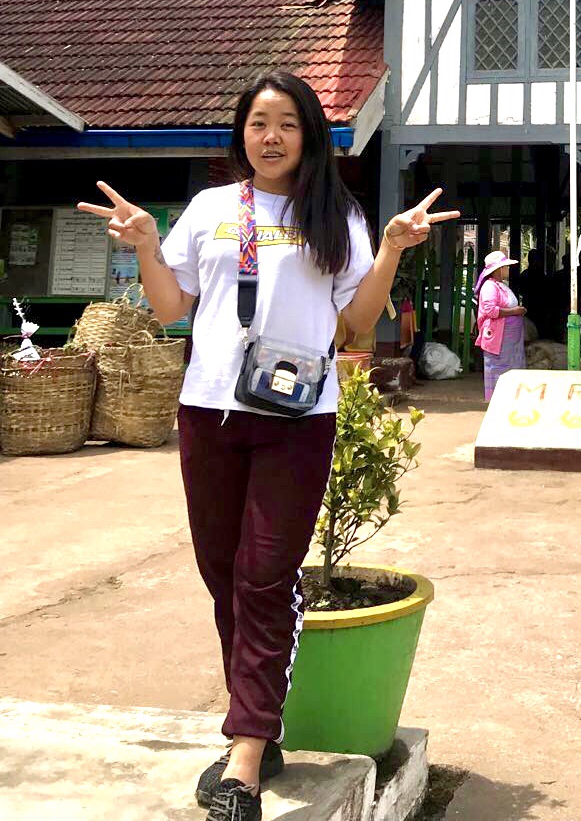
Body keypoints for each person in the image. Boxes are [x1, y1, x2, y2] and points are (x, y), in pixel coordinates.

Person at [78, 70, 457, 821]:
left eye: (287, 122)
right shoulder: (214, 208)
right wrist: (150, 246)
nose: (272, 136)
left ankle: (246, 750)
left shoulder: (332, 213)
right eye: (258, 122)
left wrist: (388, 251)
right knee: (222, 571)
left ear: (309, 134)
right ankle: (261, 723)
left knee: (263, 574)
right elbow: (170, 306)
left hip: (295, 419)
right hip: (210, 412)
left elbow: (355, 322)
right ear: (241, 133)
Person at [474, 250, 527, 400]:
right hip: (499, 338)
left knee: (511, 367)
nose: (507, 269)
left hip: (510, 340)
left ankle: (511, 398)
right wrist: (514, 311)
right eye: (505, 267)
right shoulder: (490, 287)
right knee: (499, 368)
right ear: (498, 269)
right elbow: (490, 311)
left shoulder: (501, 285)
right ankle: (498, 399)